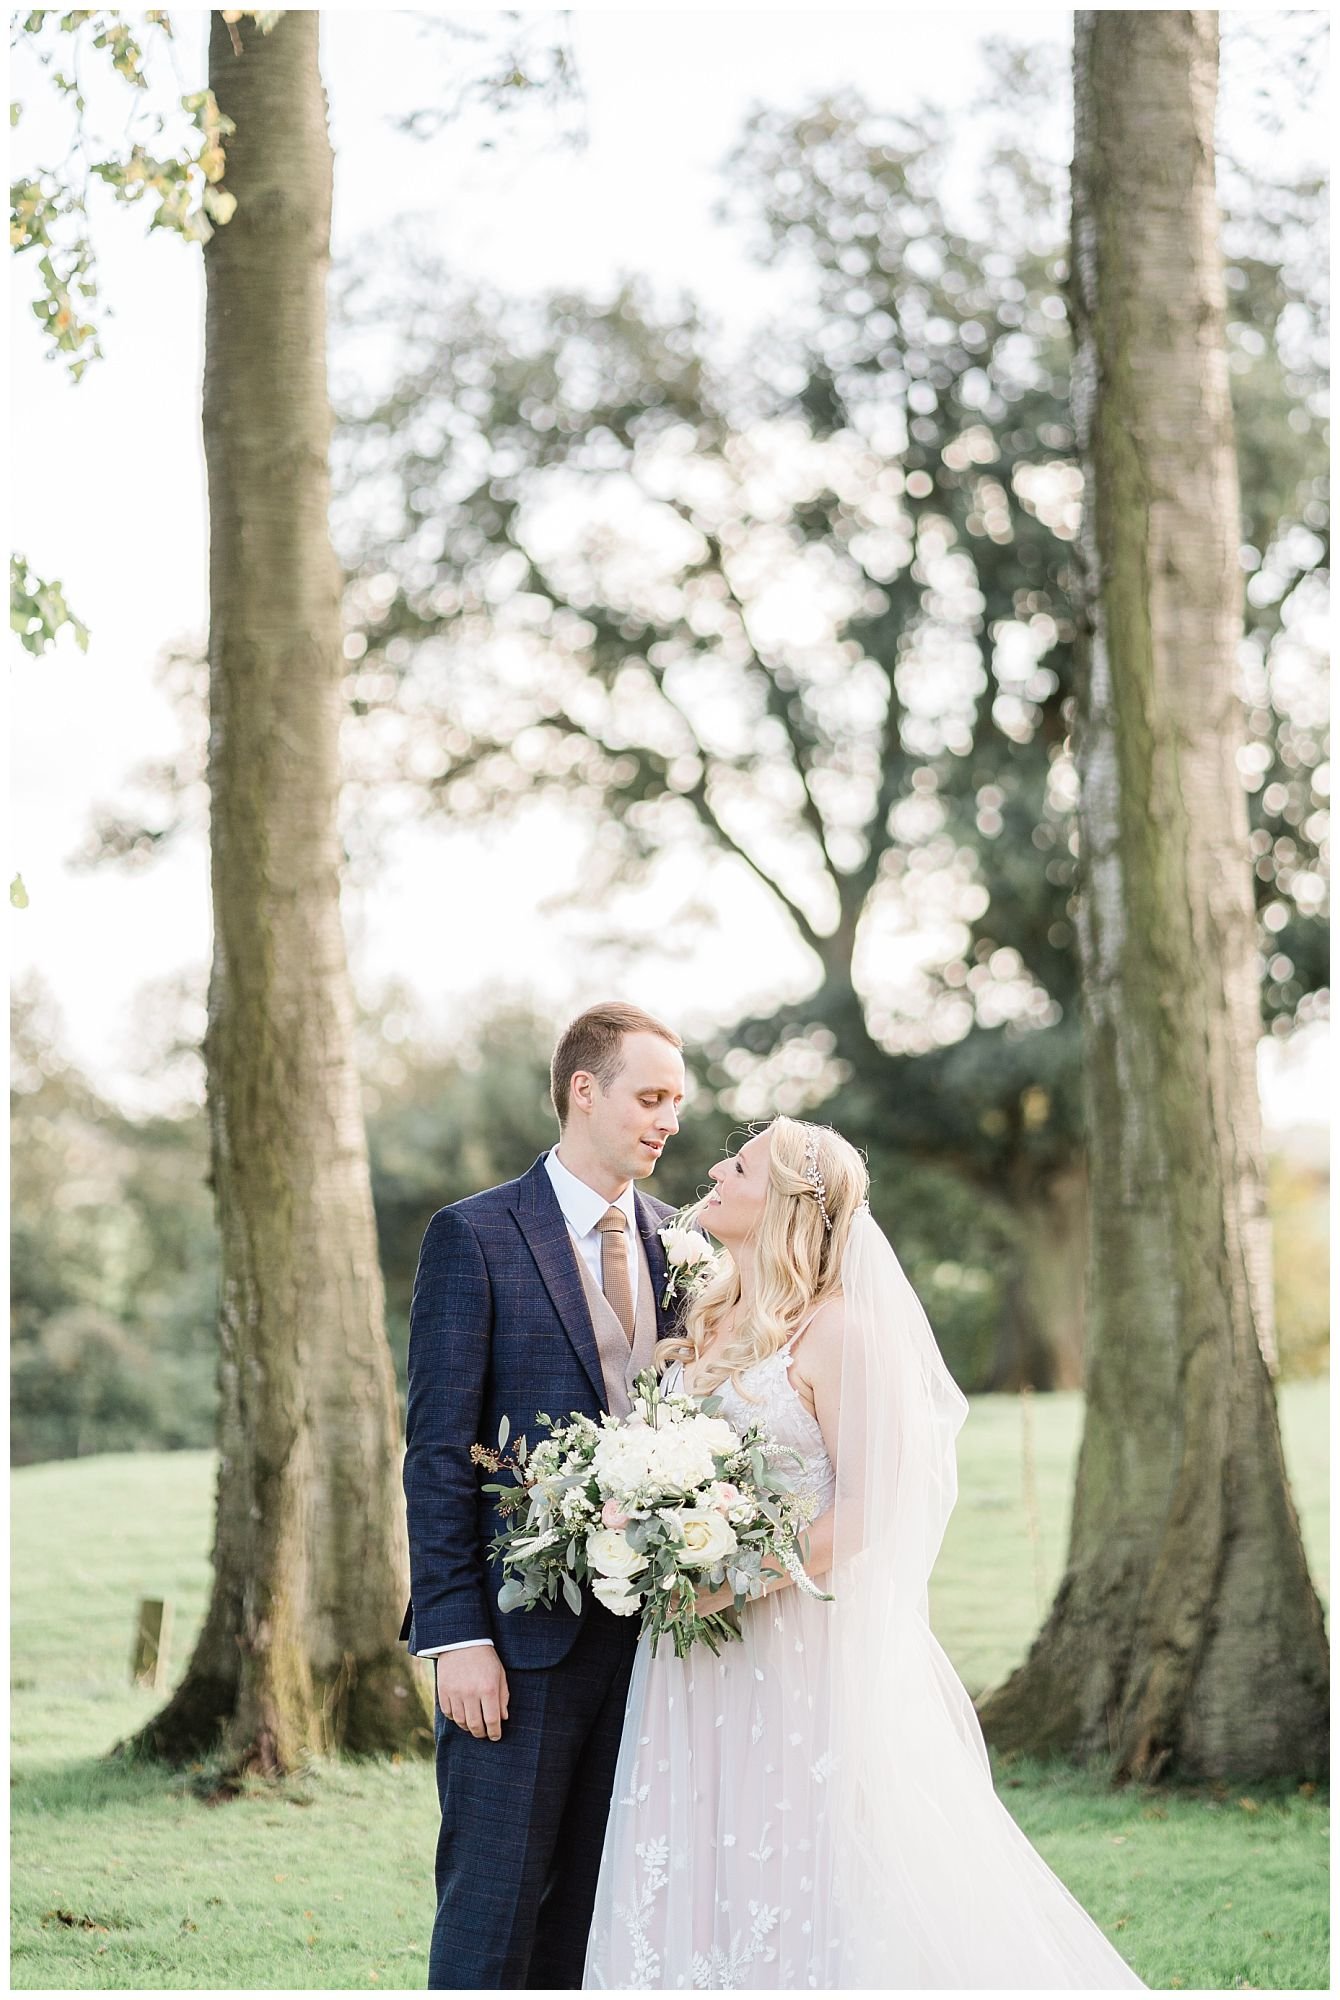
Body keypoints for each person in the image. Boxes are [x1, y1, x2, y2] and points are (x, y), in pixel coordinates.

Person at [583, 1117, 1147, 1990]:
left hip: (794, 1644)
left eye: (738, 1166)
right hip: (691, 1656)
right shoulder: (710, 1313)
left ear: (783, 1203)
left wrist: (729, 1582)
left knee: (799, 1852)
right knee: (700, 1846)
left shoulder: (840, 1331)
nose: (716, 1173)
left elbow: (873, 1508)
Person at [400, 1001, 688, 1989]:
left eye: (676, 1103)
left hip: (652, 1651)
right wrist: (456, 1636)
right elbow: (439, 1449)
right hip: (514, 1647)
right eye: (649, 1096)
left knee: (599, 1920)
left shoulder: (678, 1244)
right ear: (582, 1089)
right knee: (493, 1914)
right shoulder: (474, 1235)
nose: (667, 1120)